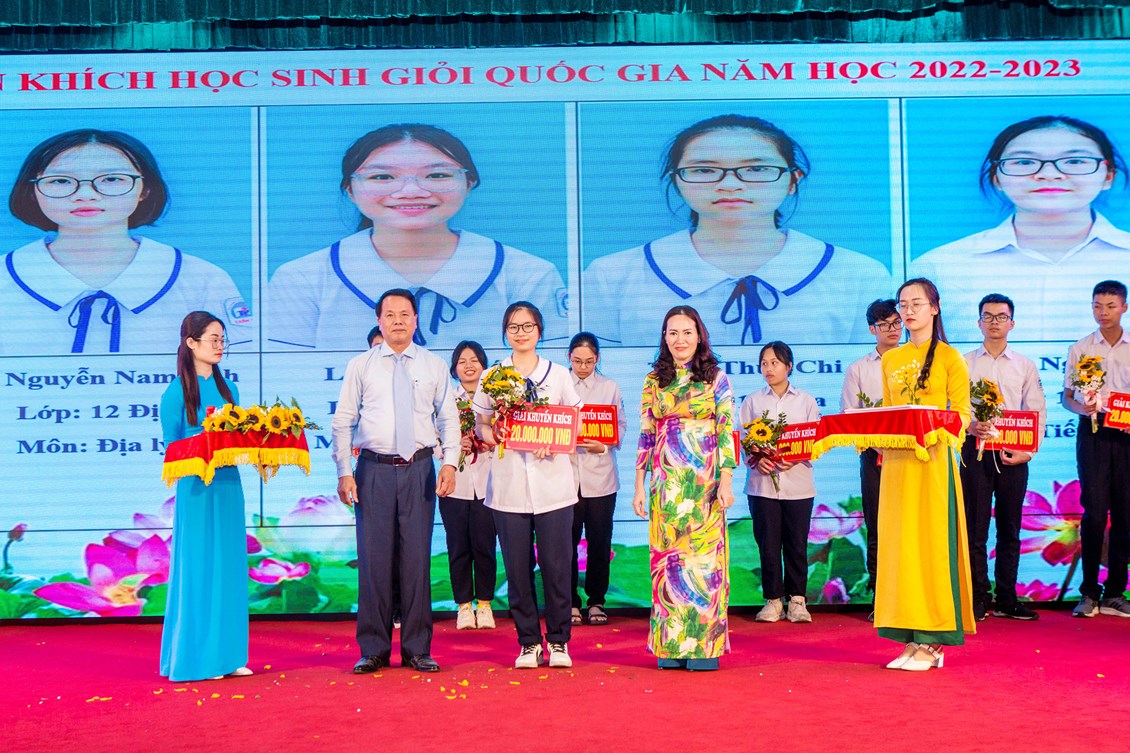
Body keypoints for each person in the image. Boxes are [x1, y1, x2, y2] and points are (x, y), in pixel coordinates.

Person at [584, 114, 889, 346]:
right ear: (676, 180)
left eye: (756, 169)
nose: (730, 184)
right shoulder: (612, 275)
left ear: (793, 180)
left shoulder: (858, 274)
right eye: (704, 170)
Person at [268, 123, 568, 350]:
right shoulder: (301, 279)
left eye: (437, 175)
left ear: (469, 182)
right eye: (382, 177)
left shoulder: (528, 274)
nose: (411, 191)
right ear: (350, 190)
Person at [2, 129, 252, 355]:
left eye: (111, 179)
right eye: (60, 181)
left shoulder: (200, 278)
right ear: (32, 191)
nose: (85, 195)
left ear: (145, 189)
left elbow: (241, 367)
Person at [913, 115, 1130, 342]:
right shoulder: (940, 267)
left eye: (1075, 161)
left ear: (1109, 175)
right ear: (996, 177)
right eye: (1024, 162)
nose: (1049, 174)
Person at [332, 288, 459, 674]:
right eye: (390, 315)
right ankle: (373, 648)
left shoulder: (434, 365)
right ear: (379, 321)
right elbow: (343, 421)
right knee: (374, 561)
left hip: (419, 469)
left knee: (417, 560)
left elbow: (448, 419)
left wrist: (450, 464)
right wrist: (344, 471)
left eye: (405, 314)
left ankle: (417, 648)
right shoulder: (361, 365)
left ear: (416, 320)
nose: (398, 321)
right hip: (373, 471)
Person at [473, 302, 582, 669]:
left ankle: (559, 640)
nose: (521, 333)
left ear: (540, 330)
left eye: (528, 326)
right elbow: (480, 424)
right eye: (513, 327)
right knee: (518, 569)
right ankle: (528, 642)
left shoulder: (559, 374)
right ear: (505, 332)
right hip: (509, 488)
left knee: (556, 566)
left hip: (554, 487)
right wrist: (493, 434)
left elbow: (576, 421)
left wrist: (557, 440)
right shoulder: (493, 376)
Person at [631, 305, 737, 671]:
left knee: (703, 568)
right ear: (664, 337)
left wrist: (726, 481)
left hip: (705, 487)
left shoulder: (716, 378)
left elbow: (726, 431)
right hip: (665, 487)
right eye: (673, 333)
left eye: (687, 332)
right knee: (668, 569)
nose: (680, 340)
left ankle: (704, 650)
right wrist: (639, 486)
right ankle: (670, 648)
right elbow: (646, 435)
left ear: (699, 336)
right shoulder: (653, 381)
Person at [877, 278, 975, 672]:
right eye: (903, 304)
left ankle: (934, 641)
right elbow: (888, 412)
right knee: (902, 549)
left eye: (917, 303)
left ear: (935, 307)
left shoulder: (951, 358)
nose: (909, 311)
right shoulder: (891, 359)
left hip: (934, 463)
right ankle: (910, 636)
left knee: (933, 547)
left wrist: (934, 432)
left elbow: (963, 415)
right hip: (898, 465)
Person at [158, 311, 251, 682]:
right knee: (199, 570)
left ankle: (229, 656)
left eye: (222, 339)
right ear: (191, 343)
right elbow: (171, 450)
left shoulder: (230, 391)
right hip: (196, 489)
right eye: (213, 339)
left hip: (228, 485)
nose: (219, 345)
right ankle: (198, 660)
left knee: (229, 568)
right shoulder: (175, 393)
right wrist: (203, 442)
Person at [962, 294, 1047, 622]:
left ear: (1012, 323)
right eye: (988, 316)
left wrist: (1028, 452)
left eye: (1001, 316)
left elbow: (1036, 411)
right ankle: (978, 597)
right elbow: (951, 410)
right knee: (975, 529)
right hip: (975, 452)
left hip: (1013, 454)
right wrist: (970, 425)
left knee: (1010, 528)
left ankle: (1007, 598)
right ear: (978, 322)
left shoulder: (1024, 365)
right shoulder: (964, 363)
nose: (994, 322)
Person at [1062, 279, 1130, 618]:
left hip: (1127, 435)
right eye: (1097, 306)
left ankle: (1116, 592)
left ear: (1124, 308)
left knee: (1125, 514)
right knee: (1094, 512)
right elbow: (1067, 397)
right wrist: (1083, 409)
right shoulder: (1082, 348)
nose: (1103, 312)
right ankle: (1089, 592)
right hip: (1093, 432)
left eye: (1110, 306)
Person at [741, 341, 820, 624]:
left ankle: (797, 600)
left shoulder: (806, 401)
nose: (768, 368)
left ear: (789, 365)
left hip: (798, 485)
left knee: (797, 544)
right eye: (764, 363)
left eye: (774, 362)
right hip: (762, 486)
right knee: (768, 544)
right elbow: (743, 441)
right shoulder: (752, 402)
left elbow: (815, 441)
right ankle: (773, 600)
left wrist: (797, 458)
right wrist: (755, 460)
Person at [839, 299, 903, 596]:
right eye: (885, 324)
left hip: (912, 456)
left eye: (896, 323)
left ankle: (909, 595)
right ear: (871, 329)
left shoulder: (916, 363)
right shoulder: (859, 369)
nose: (893, 329)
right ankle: (880, 595)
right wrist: (879, 445)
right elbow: (848, 415)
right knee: (877, 525)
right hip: (874, 456)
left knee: (910, 525)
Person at [567, 332, 627, 626]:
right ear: (568, 357)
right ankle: (569, 602)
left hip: (602, 477)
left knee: (600, 541)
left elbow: (620, 425)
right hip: (566, 477)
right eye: (577, 361)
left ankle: (596, 601)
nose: (583, 367)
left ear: (598, 359)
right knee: (565, 542)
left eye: (589, 362)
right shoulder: (558, 384)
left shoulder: (609, 387)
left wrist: (604, 445)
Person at [440, 340, 497, 630]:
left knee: (485, 545)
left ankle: (484, 605)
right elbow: (432, 438)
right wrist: (452, 446)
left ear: (484, 365)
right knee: (458, 545)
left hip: (489, 483)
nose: (469, 366)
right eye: (462, 361)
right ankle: (463, 606)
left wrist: (490, 440)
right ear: (454, 368)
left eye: (474, 360)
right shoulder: (446, 399)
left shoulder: (496, 398)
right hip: (455, 483)